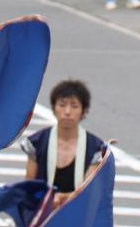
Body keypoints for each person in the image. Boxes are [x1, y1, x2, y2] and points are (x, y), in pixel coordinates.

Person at [21, 79, 105, 210]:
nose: (67, 111)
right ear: (54, 108)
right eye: (62, 104)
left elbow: (88, 190)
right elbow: (30, 185)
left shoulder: (96, 148)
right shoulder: (37, 143)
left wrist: (62, 198)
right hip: (42, 213)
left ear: (84, 111)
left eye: (74, 106)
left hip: (78, 214)